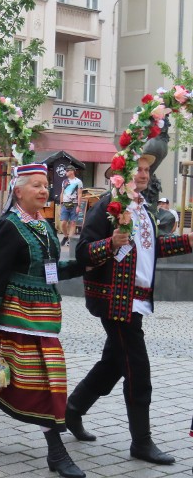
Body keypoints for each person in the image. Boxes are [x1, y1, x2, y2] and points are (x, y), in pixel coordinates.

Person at [66, 154, 193, 465]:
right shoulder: (108, 205)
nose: (145, 175)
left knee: (113, 363)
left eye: (148, 170)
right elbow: (82, 251)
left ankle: (72, 409)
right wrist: (109, 244)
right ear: (123, 172)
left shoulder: (141, 208)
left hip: (133, 300)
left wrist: (188, 242)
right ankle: (141, 442)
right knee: (137, 368)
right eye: (139, 169)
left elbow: (152, 249)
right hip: (115, 301)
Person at [0, 163, 86, 478]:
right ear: (18, 191)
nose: (44, 190)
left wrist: (88, 262)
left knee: (6, 380)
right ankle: (57, 454)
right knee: (45, 382)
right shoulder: (9, 226)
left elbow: (50, 270)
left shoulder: (43, 225)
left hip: (41, 317)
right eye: (36, 185)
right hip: (11, 319)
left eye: (46, 185)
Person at [59, 164, 83, 247]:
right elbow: (62, 192)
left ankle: (70, 239)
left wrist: (79, 206)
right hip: (65, 204)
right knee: (63, 223)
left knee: (73, 223)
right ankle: (65, 236)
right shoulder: (64, 181)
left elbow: (80, 194)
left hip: (74, 203)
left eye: (67, 170)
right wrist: (61, 203)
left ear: (72, 171)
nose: (66, 172)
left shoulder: (78, 182)